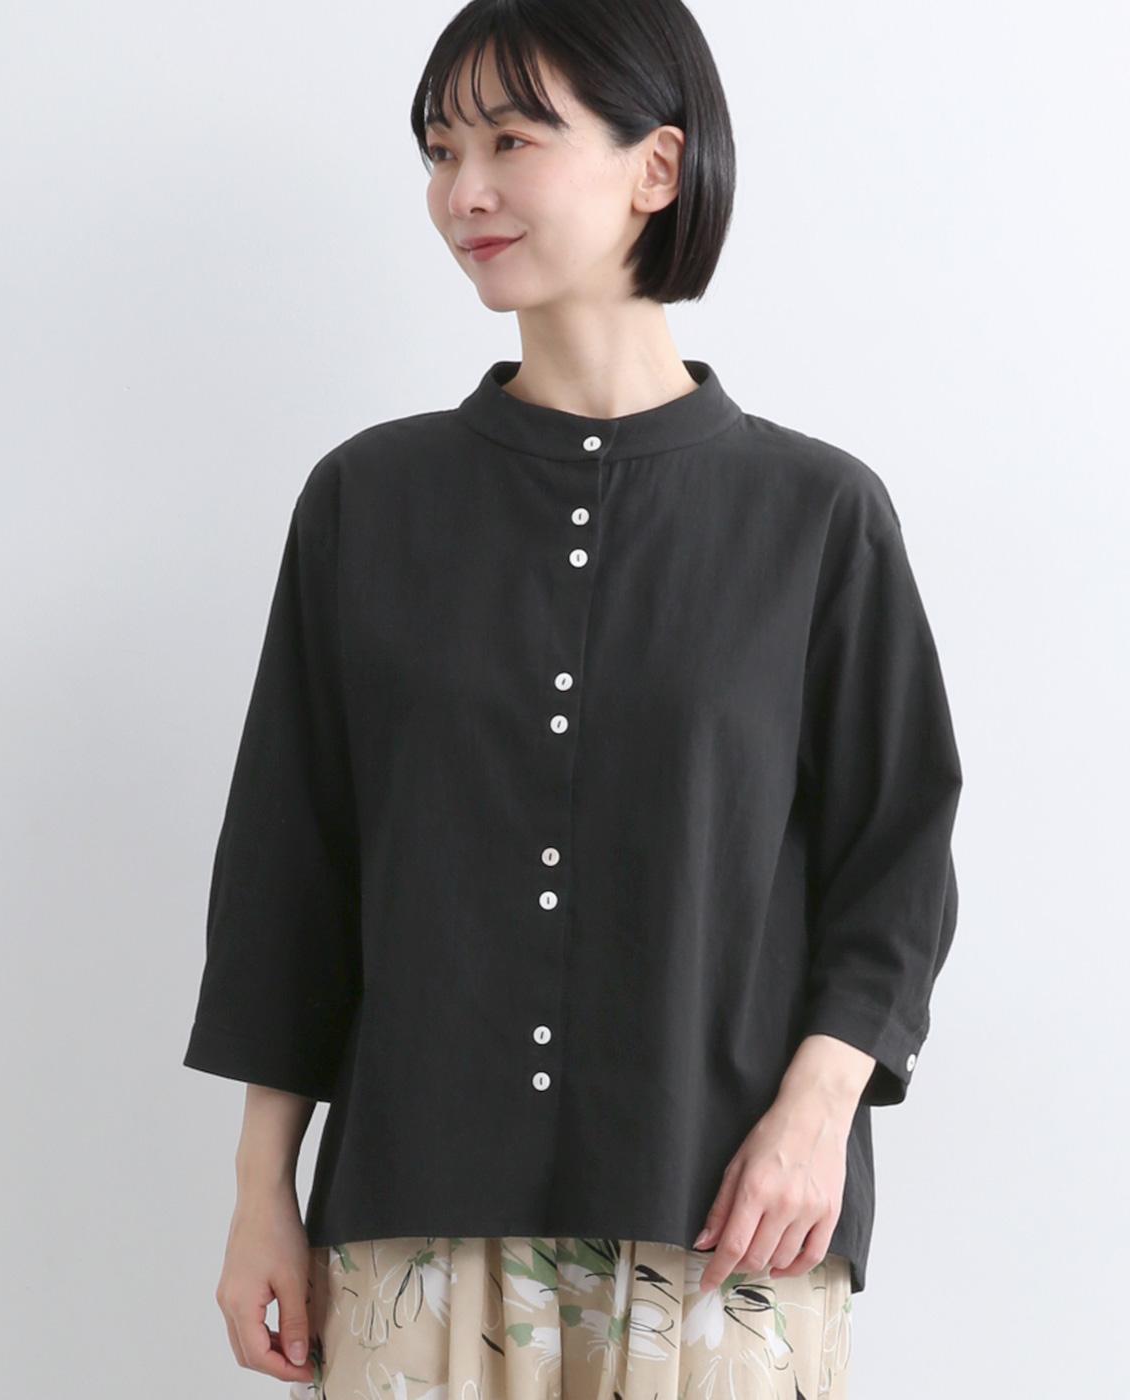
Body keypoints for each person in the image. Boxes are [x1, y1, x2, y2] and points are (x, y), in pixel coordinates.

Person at [182, 2, 963, 1397]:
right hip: (418, 1221)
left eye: (509, 140)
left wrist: (816, 1113)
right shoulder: (368, 502)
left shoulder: (816, 516)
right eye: (439, 151)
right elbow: (289, 870)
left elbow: (894, 856)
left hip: (728, 1223)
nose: (462, 191)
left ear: (656, 166)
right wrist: (262, 1195)